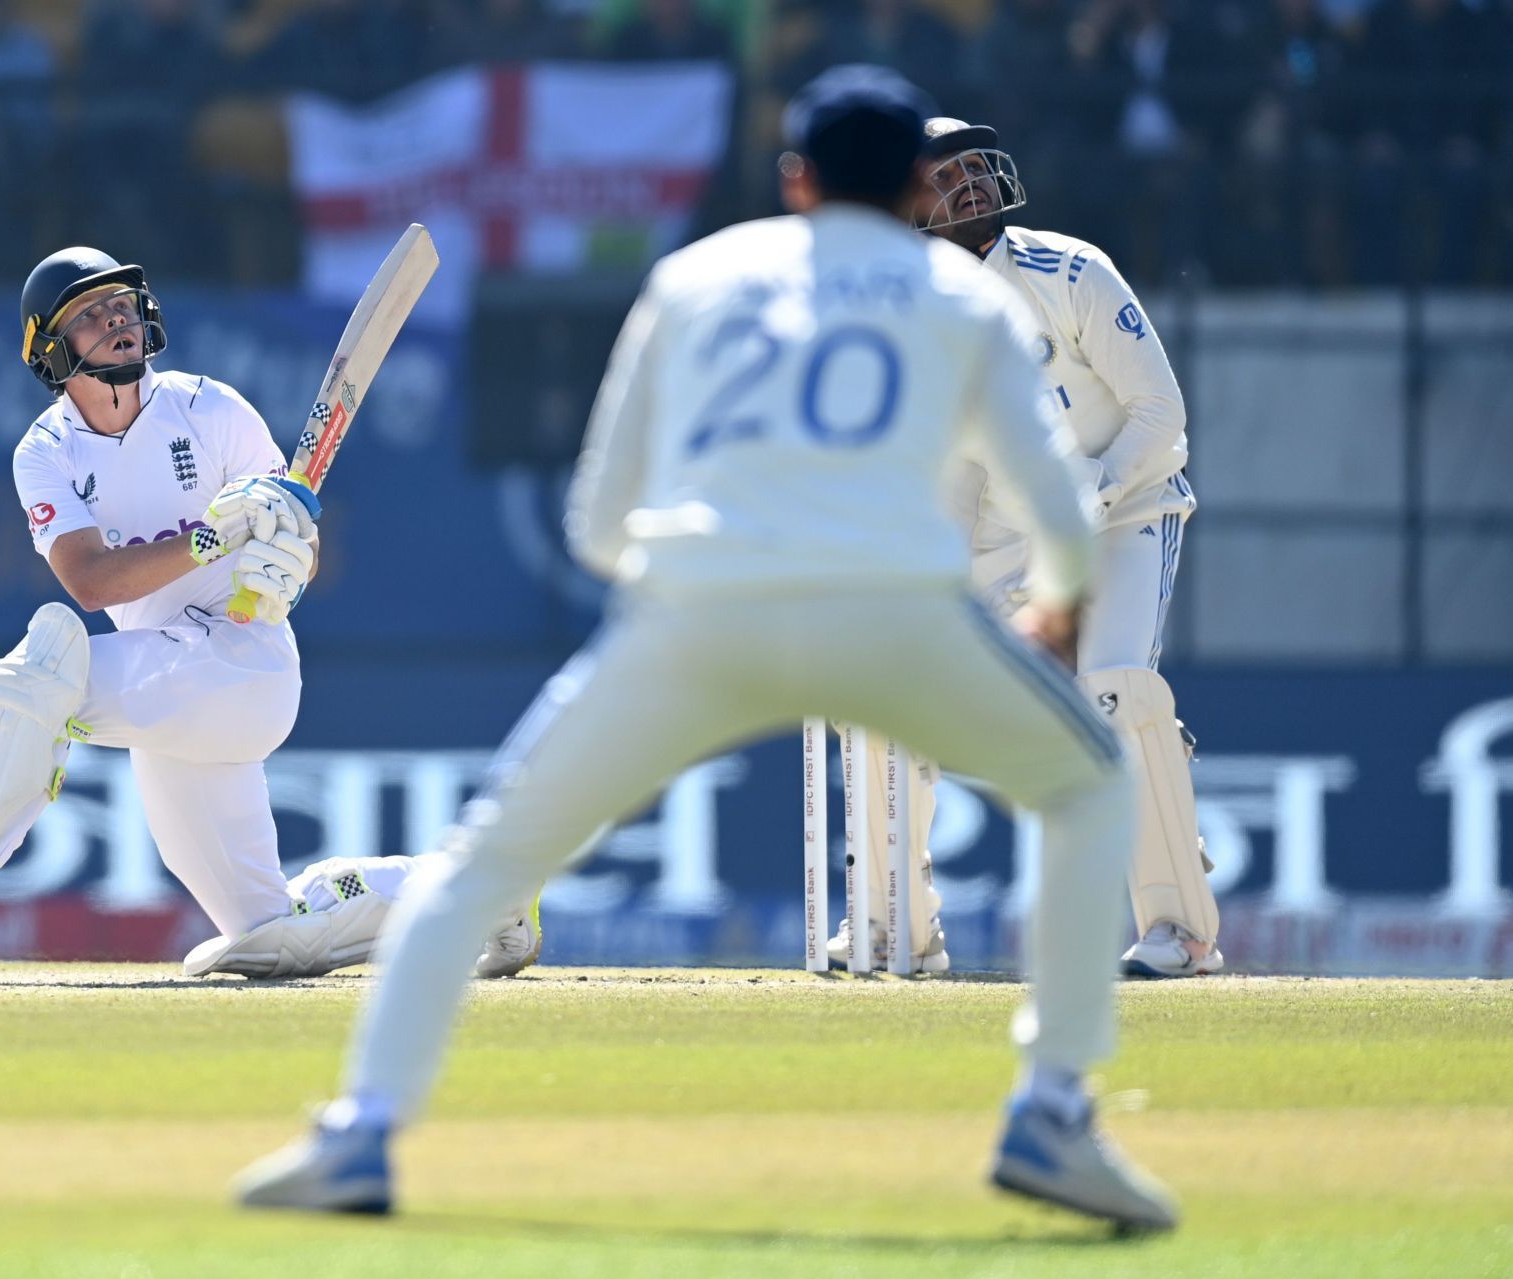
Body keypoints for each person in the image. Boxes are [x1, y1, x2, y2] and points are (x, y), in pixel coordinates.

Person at [236, 66, 1178, 1231]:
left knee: (483, 862)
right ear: (917, 192)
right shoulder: (971, 302)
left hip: (699, 610)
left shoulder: (697, 278)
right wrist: (1061, 600)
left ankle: (362, 1133)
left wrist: (692, 606)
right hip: (896, 611)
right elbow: (1054, 506)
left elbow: (594, 520)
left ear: (795, 181)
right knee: (1086, 785)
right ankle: (1053, 1111)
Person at [0, 247, 539, 983]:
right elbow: (89, 580)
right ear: (51, 348)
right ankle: (490, 890)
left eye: (119, 304)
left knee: (44, 666)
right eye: (89, 315)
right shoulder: (42, 452)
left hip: (242, 666)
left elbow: (291, 539)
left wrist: (284, 571)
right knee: (271, 935)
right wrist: (212, 536)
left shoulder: (209, 408)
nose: (115, 319)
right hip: (166, 687)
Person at [835, 115, 1216, 981]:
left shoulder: (1072, 269)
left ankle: (1178, 930)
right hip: (1005, 526)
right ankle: (898, 927)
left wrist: (1091, 496)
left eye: (974, 165)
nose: (966, 185)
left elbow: (1162, 416)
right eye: (942, 174)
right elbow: (954, 460)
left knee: (1114, 692)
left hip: (1126, 508)